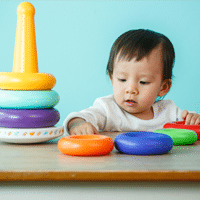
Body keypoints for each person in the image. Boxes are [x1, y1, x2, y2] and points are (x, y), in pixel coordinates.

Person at [63, 29, 200, 135]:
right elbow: (78, 117)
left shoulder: (169, 112)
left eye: (143, 82)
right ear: (112, 79)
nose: (131, 89)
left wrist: (194, 119)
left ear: (163, 87)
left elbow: (192, 125)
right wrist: (77, 124)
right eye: (122, 79)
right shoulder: (107, 109)